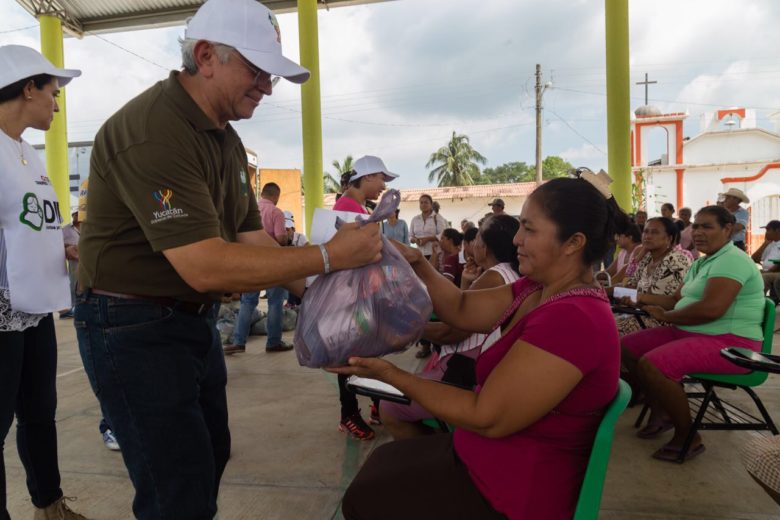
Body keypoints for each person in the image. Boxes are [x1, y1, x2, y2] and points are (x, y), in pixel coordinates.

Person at [74, 2, 382, 518]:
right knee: (177, 491)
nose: (266, 85)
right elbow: (207, 265)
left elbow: (249, 239)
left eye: (271, 75)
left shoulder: (225, 138)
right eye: (256, 70)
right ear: (205, 57)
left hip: (187, 321)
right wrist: (329, 256)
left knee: (209, 458)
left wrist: (323, 311)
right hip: (129, 326)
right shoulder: (153, 131)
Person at [332, 176, 628, 520]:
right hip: (485, 457)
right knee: (380, 468)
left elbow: (485, 417)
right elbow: (459, 307)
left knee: (365, 499)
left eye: (529, 230)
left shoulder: (574, 319)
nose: (516, 239)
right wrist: (416, 262)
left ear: (573, 243)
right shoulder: (538, 288)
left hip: (511, 491)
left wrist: (389, 374)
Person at [0, 44, 88, 520]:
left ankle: (48, 505)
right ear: (27, 88)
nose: (56, 103)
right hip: (0, 312)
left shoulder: (26, 153)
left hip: (33, 309)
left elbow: (37, 224)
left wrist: (67, 246)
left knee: (39, 412)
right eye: (52, 92)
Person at [621, 205, 765, 461]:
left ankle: (688, 436)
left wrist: (667, 317)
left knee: (654, 364)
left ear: (728, 229)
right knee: (626, 347)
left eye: (706, 226)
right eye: (696, 226)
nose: (697, 232)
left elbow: (712, 309)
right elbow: (676, 299)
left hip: (730, 343)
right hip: (691, 332)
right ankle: (661, 411)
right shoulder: (702, 262)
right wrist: (639, 300)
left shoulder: (731, 259)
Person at [380, 215, 521, 441]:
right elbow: (464, 309)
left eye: (477, 239)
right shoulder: (511, 273)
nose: (472, 244)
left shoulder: (496, 276)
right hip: (475, 371)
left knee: (389, 406)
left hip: (464, 373)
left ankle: (432, 457)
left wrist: (406, 326)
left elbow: (451, 331)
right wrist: (466, 283)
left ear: (485, 247)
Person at [332, 154, 398, 440]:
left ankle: (376, 404)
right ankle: (349, 414)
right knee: (351, 356)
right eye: (382, 178)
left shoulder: (356, 206)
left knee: (367, 352)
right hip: (351, 297)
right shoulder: (347, 207)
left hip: (361, 294)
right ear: (368, 176)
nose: (383, 185)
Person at [226, 182, 293, 354]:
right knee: (275, 303)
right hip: (272, 263)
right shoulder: (275, 212)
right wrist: (287, 237)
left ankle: (239, 341)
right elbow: (280, 239)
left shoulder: (249, 211)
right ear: (276, 196)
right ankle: (273, 342)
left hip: (250, 262)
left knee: (247, 302)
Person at [612, 218, 692, 336]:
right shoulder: (647, 258)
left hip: (660, 321)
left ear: (669, 238)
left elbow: (668, 303)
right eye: (645, 231)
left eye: (654, 232)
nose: (647, 236)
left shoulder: (676, 260)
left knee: (605, 331)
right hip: (637, 313)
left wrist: (636, 298)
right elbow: (631, 286)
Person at [409, 194, 446, 260]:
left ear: (431, 204)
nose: (423, 204)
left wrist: (428, 239)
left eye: (426, 202)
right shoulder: (415, 219)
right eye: (421, 203)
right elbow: (410, 236)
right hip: (419, 254)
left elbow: (442, 235)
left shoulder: (438, 218)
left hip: (434, 254)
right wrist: (415, 240)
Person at [751, 219, 780, 302]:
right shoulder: (771, 243)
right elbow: (755, 259)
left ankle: (758, 301)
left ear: (777, 230)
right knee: (749, 273)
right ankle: (754, 300)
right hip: (768, 271)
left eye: (768, 230)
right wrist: (764, 244)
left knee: (763, 277)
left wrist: (768, 271)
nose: (766, 233)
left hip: (775, 271)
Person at [60, 210, 80, 319]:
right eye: (74, 214)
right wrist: (68, 247)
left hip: (87, 259)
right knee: (73, 283)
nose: (76, 216)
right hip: (73, 259)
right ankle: (72, 307)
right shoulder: (66, 229)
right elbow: (57, 242)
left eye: (78, 214)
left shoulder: (88, 227)